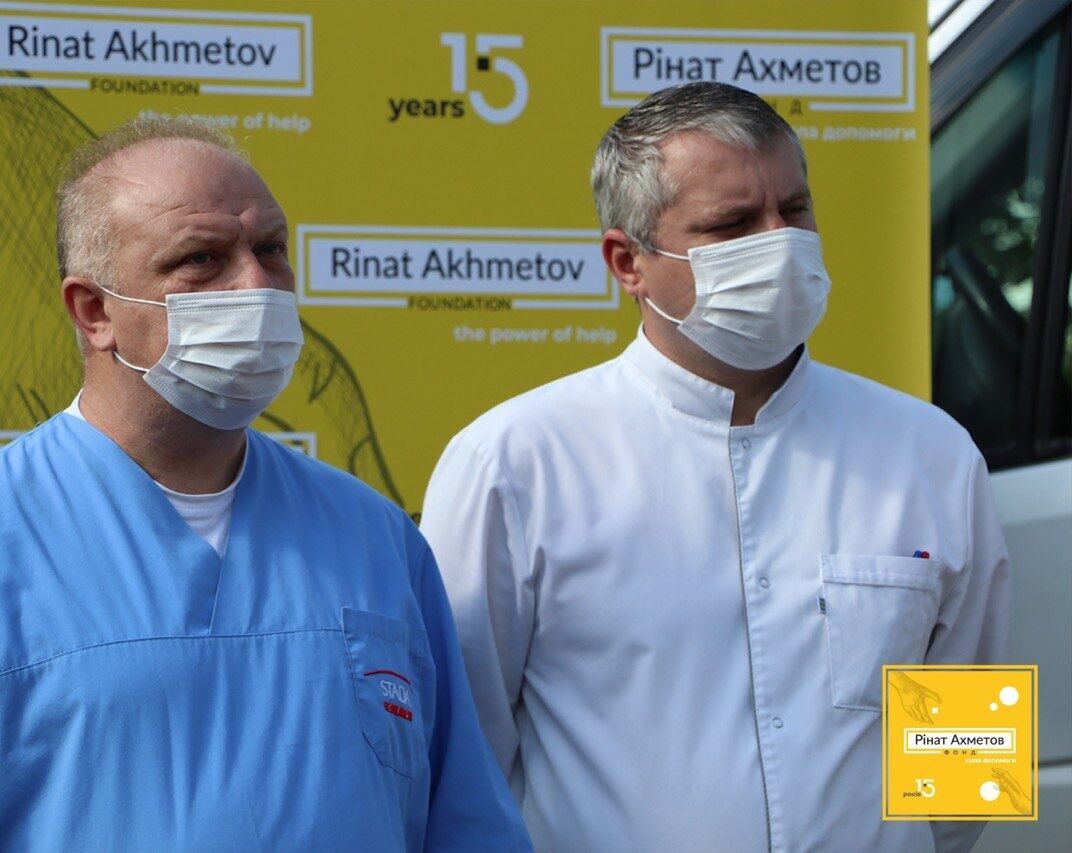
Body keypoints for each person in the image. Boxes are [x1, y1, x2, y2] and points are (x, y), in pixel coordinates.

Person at [0, 116, 530, 852]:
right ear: (95, 311)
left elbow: (466, 824)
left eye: (271, 249)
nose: (256, 285)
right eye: (202, 258)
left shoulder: (377, 538)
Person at [420, 82, 1009, 852]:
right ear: (627, 261)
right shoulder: (515, 462)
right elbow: (461, 763)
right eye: (732, 224)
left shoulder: (931, 453)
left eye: (794, 210)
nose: (780, 243)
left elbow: (965, 776)